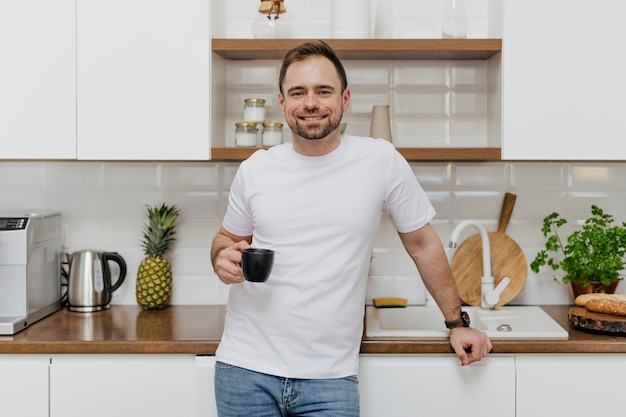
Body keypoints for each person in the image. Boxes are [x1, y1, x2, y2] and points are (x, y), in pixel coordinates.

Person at [210, 40, 492, 417]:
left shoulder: (381, 160)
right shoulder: (256, 169)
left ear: (344, 100)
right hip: (244, 369)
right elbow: (227, 239)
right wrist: (220, 257)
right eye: (298, 92)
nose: (310, 103)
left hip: (331, 377)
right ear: (282, 103)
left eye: (322, 91)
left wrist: (458, 323)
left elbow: (423, 244)